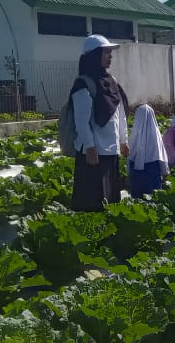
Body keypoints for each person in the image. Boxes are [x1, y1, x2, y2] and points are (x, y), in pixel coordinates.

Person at [71, 34, 130, 211]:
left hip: (110, 150)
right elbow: (81, 120)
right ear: (94, 56)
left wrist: (123, 140)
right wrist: (90, 147)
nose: (110, 56)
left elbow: (120, 113)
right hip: (94, 153)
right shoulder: (83, 84)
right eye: (106, 52)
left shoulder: (111, 82)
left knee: (110, 195)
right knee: (92, 197)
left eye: (110, 52)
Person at [127, 104, 168, 198]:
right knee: (152, 201)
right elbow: (161, 155)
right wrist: (165, 172)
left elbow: (129, 157)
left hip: (136, 174)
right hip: (152, 172)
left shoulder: (133, 136)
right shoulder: (156, 136)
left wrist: (129, 172)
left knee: (137, 203)